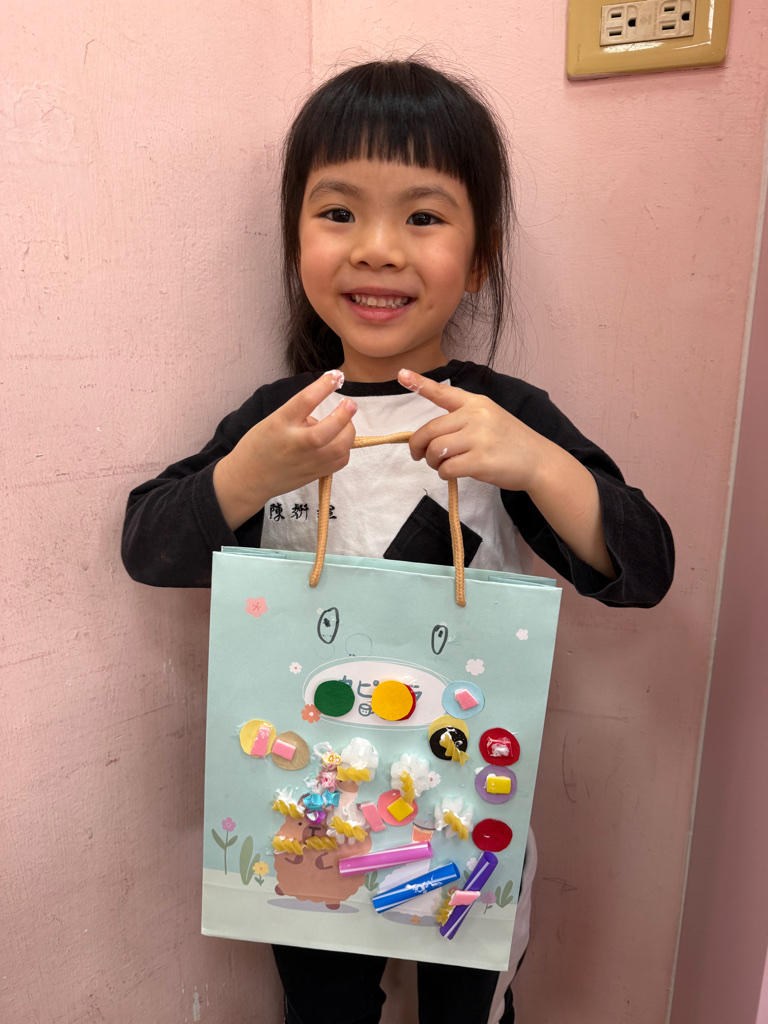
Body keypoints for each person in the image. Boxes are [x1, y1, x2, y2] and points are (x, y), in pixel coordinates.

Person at [121, 59, 674, 1024]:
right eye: (339, 213)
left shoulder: (499, 416)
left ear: (481, 254)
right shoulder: (282, 418)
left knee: (469, 1005)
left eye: (422, 216)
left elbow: (645, 568)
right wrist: (248, 474)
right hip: (310, 807)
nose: (377, 250)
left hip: (465, 805)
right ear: (296, 238)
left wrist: (539, 464)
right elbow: (149, 547)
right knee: (324, 1005)